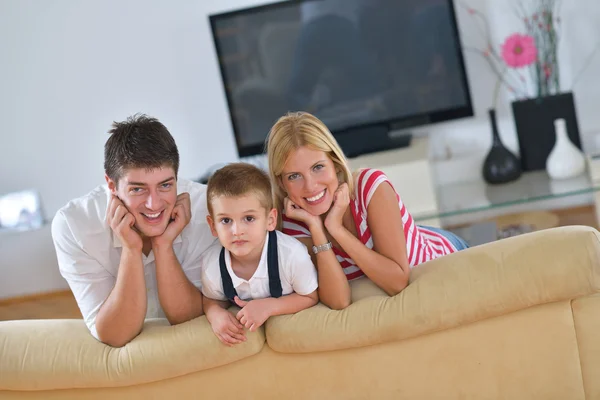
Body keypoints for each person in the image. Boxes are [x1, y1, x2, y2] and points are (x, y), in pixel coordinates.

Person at [266, 111, 469, 310]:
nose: (310, 186)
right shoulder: (294, 222)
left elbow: (397, 282)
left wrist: (337, 230)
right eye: (294, 176)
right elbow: (338, 301)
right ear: (281, 183)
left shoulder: (370, 186)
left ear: (335, 164)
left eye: (318, 167)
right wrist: (319, 229)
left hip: (443, 249)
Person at [51, 114, 216, 347]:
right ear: (111, 185)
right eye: (138, 189)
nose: (154, 204)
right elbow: (115, 334)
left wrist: (163, 245)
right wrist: (131, 248)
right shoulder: (74, 226)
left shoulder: (207, 210)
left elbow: (189, 321)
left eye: (165, 185)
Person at [200, 163, 318, 347]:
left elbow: (310, 296)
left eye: (248, 218)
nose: (236, 231)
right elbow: (211, 298)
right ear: (213, 225)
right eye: (226, 220)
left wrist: (269, 306)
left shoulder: (292, 255)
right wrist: (215, 314)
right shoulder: (212, 265)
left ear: (270, 220)